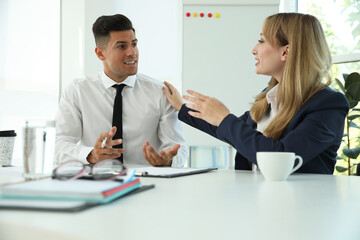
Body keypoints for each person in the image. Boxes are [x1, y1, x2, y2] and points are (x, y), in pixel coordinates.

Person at [162, 13, 349, 174]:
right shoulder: (270, 96)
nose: (254, 49)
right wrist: (181, 106)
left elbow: (280, 158)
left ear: (286, 52)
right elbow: (233, 132)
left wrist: (224, 118)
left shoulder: (329, 105)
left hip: (298, 210)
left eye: (261, 41)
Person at [55, 14, 188, 167]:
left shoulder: (160, 93)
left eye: (134, 44)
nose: (132, 52)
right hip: (96, 182)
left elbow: (180, 149)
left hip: (148, 182)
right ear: (100, 53)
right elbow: (60, 146)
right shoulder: (78, 90)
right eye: (121, 46)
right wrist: (91, 154)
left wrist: (168, 160)